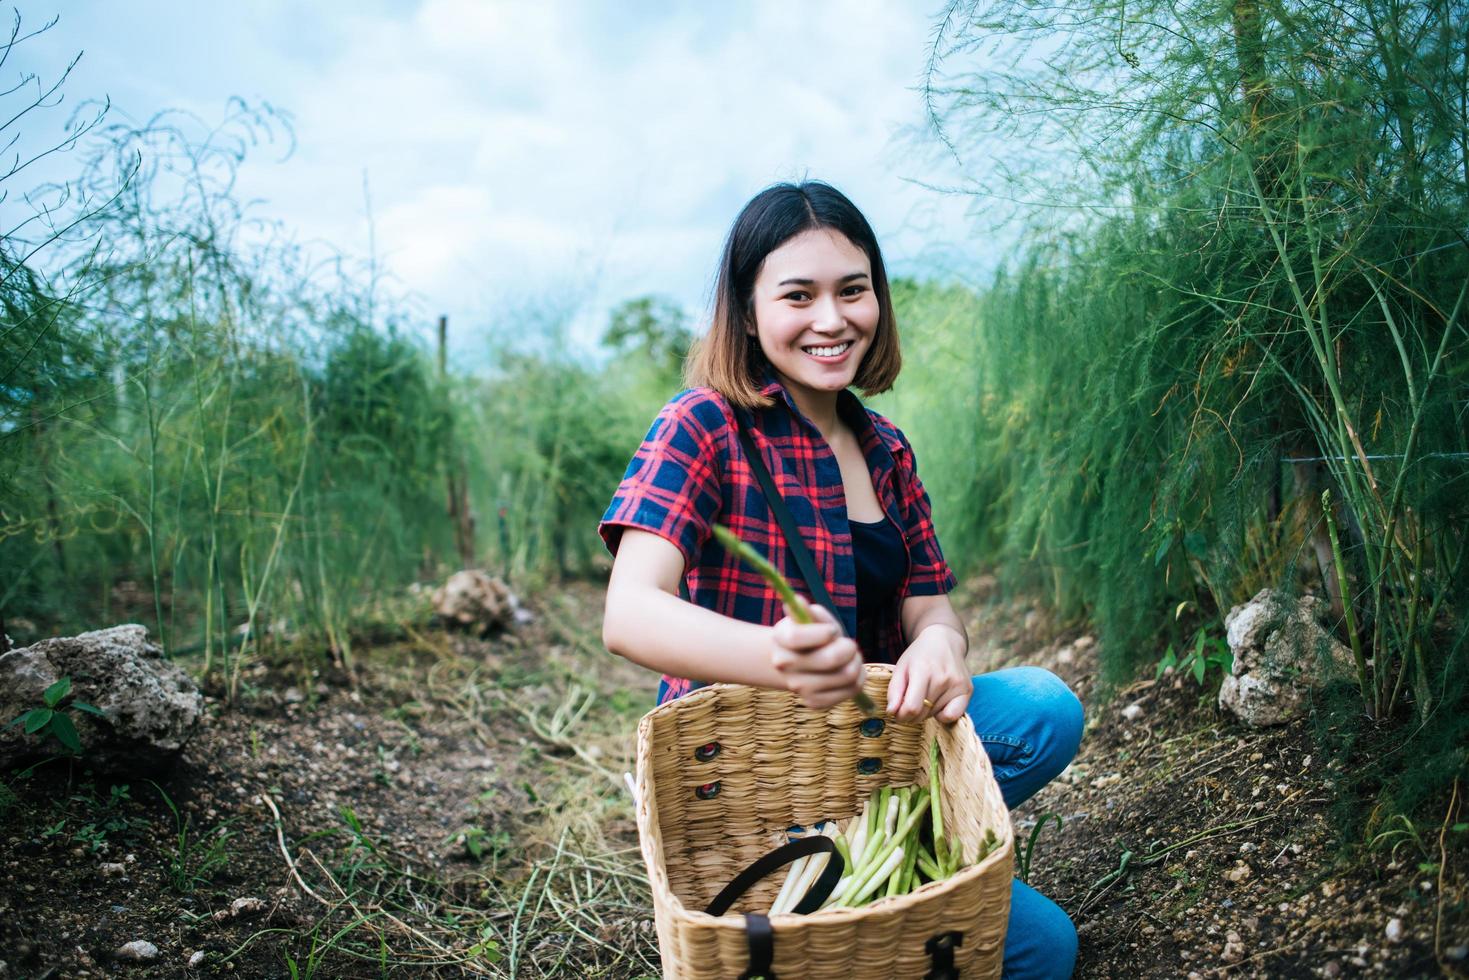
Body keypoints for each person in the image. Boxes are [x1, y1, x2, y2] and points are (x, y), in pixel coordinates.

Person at [599, 180, 1082, 980]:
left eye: (851, 291)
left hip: (874, 759)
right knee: (1034, 948)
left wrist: (937, 646)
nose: (832, 319)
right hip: (750, 780)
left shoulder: (885, 446)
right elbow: (630, 613)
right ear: (748, 313)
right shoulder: (702, 424)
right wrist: (777, 657)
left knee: (1039, 713)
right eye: (798, 295)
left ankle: (886, 870)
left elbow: (931, 601)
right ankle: (823, 898)